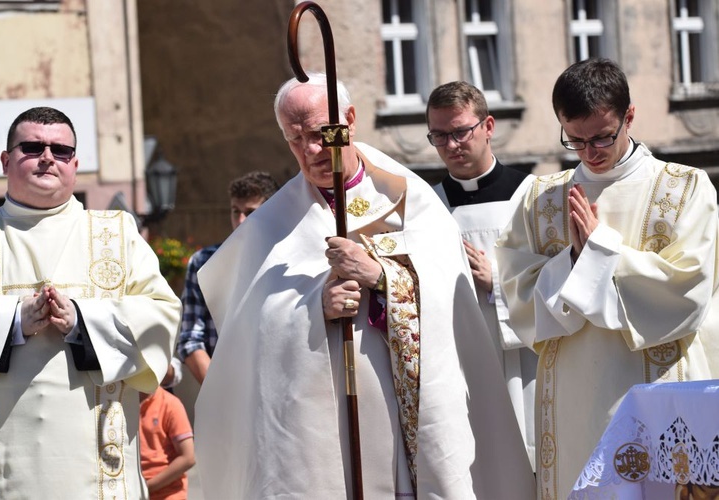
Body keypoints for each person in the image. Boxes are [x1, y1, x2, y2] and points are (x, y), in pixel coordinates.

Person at [193, 73, 535, 498]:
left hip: (411, 419)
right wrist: (314, 307)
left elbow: (451, 299)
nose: (311, 150)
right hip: (326, 433)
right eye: (295, 139)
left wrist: (380, 277)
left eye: (321, 133)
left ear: (350, 120)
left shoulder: (411, 200)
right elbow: (248, 334)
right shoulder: (272, 225)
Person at [496, 58, 719, 498]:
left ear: (629, 117)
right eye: (575, 140)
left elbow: (686, 292)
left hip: (659, 391)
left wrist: (601, 250)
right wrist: (575, 258)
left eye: (602, 136)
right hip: (573, 401)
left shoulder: (686, 188)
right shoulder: (541, 199)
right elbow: (519, 299)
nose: (590, 152)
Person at [0, 106, 181, 498]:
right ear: (5, 160)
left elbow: (161, 312)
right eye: (32, 147)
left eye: (61, 150)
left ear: (75, 164)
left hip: (97, 473)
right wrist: (13, 322)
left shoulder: (115, 233)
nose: (48, 157)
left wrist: (83, 321)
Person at [427, 80, 537, 469]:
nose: (451, 145)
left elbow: (561, 281)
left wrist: (500, 284)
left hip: (525, 361)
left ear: (488, 126)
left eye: (460, 131)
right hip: (461, 360)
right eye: (439, 136)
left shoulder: (532, 196)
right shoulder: (429, 207)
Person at [176, 170, 280, 384]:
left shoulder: (287, 261)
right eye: (235, 211)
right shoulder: (204, 262)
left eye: (250, 213)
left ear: (272, 211)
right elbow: (190, 339)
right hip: (224, 388)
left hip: (279, 389)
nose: (241, 220)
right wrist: (220, 393)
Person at [139, 386, 195, 500]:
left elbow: (188, 457)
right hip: (132, 490)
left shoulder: (170, 404)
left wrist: (146, 487)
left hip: (168, 493)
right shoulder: (122, 404)